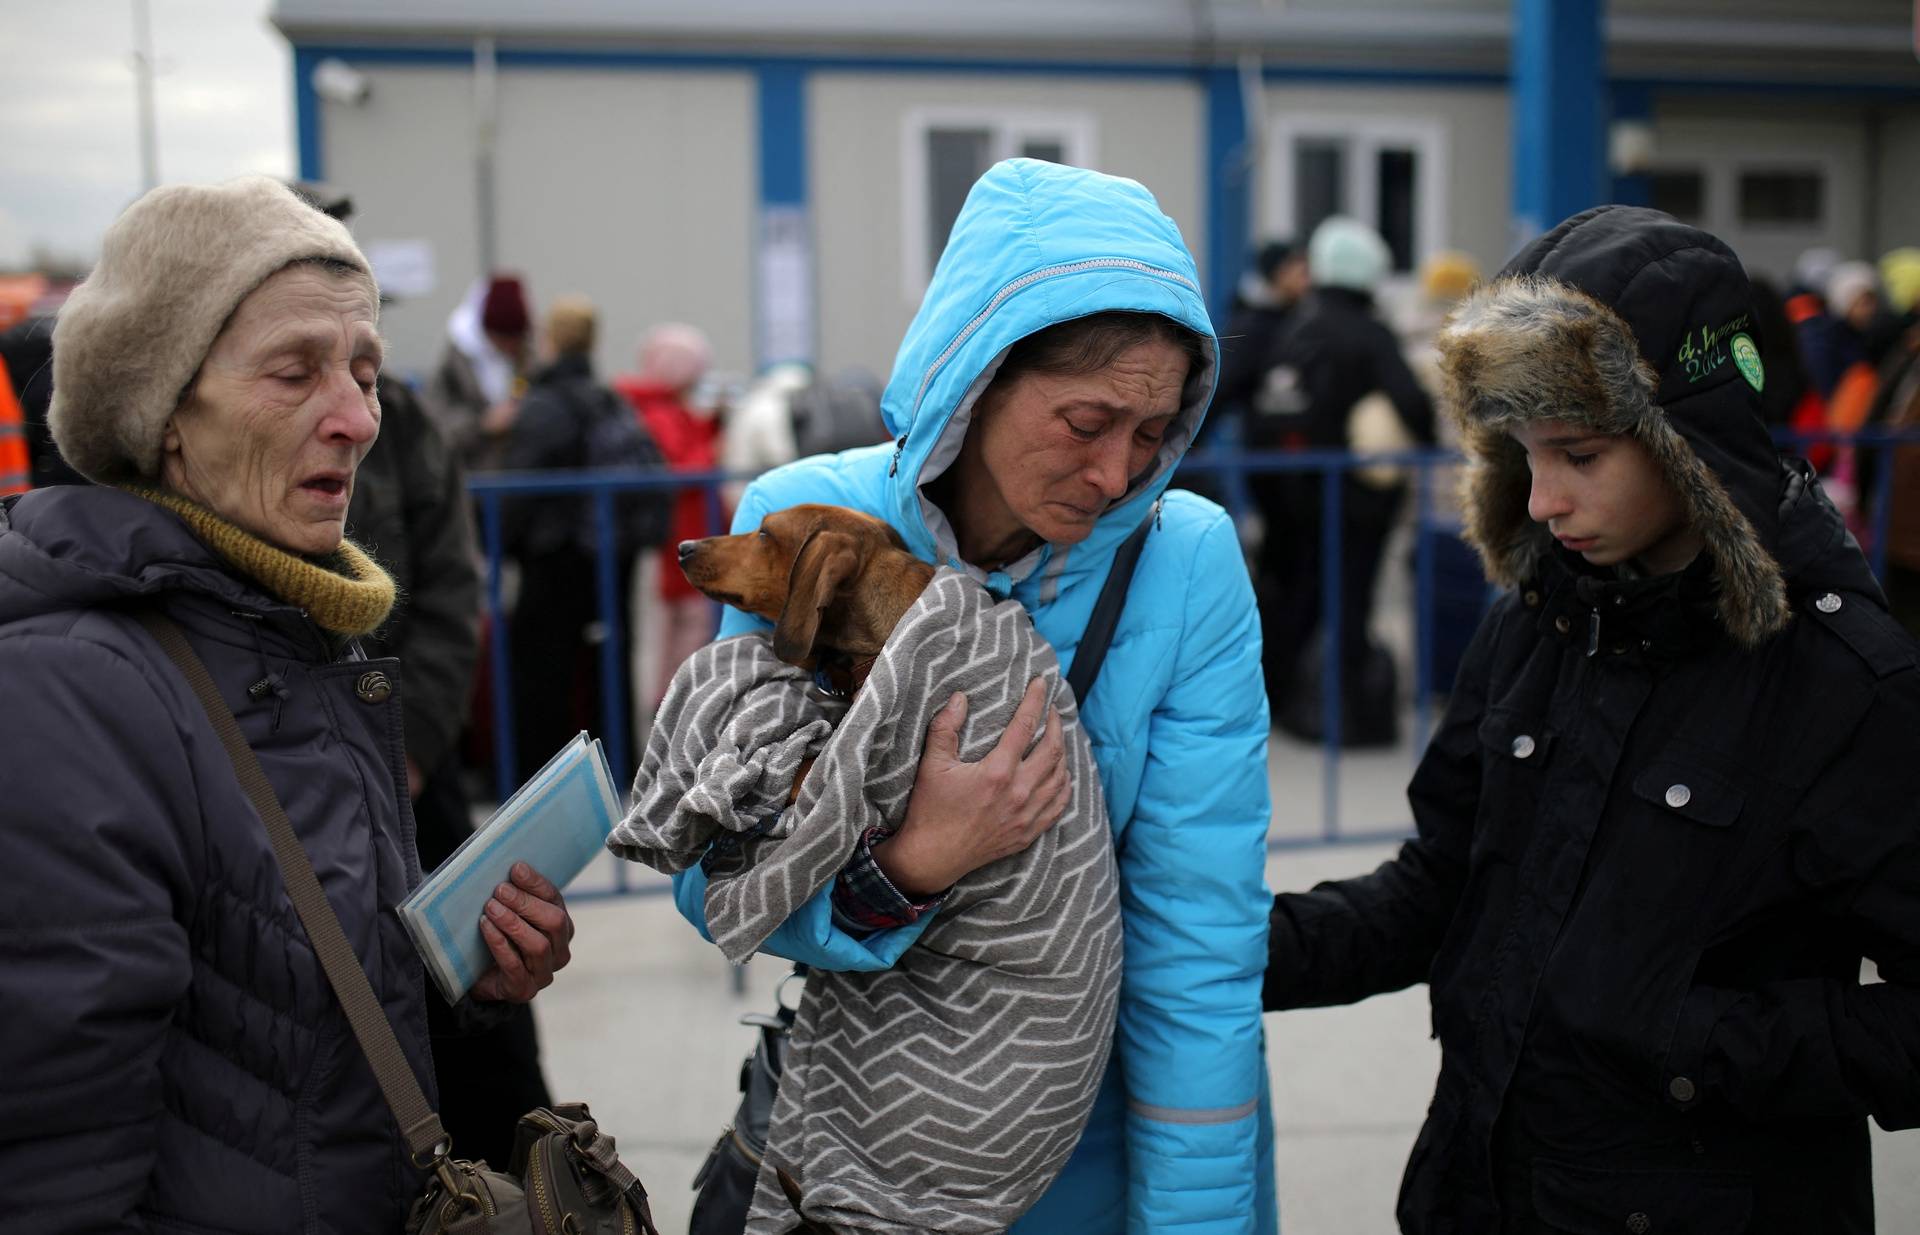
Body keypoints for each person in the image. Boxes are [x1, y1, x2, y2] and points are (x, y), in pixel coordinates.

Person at [1263, 205, 1920, 1233]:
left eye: (1578, 454)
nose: (1542, 500)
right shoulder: (1539, 620)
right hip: (1484, 1189)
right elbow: (1441, 884)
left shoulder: (1847, 684)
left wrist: (1694, 1038)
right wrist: (1236, 950)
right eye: (1523, 455)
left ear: (1691, 441)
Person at [673, 158, 1276, 1233]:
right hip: (867, 1133)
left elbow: (1196, 939)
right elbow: (713, 875)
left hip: (1095, 1140)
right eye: (1086, 421)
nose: (1117, 475)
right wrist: (911, 864)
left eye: (1153, 434)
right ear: (976, 375)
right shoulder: (809, 527)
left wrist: (1196, 1220)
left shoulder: (1185, 562)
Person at [0, 177, 578, 1234]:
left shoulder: (294, 638)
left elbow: (264, 1016)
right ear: (162, 407)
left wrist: (461, 975)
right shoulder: (67, 693)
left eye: (364, 369)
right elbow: (53, 1174)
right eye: (295, 370)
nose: (359, 418)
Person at [1242, 216, 1436, 741]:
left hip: (1291, 498)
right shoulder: (1367, 333)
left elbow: (1267, 412)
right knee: (1349, 602)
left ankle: (1283, 702)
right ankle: (1337, 713)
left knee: (1295, 598)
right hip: (1352, 501)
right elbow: (1413, 405)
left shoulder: (1293, 328)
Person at [501, 295, 659, 780]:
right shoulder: (609, 398)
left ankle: (536, 775)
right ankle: (614, 766)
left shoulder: (544, 402)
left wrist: (503, 542)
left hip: (555, 555)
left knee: (541, 668)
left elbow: (521, 484)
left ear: (549, 341)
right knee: (607, 662)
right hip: (610, 553)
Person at [613, 322, 726, 712]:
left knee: (682, 624)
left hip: (686, 532)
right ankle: (674, 704)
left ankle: (673, 701)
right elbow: (679, 467)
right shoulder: (659, 413)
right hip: (682, 533)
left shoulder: (660, 408)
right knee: (684, 626)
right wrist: (713, 450)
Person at [426, 273, 532, 472]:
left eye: (514, 340)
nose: (509, 347)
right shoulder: (454, 365)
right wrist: (482, 425)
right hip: (472, 479)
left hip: (518, 482)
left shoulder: (529, 358)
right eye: (503, 339)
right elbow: (435, 427)